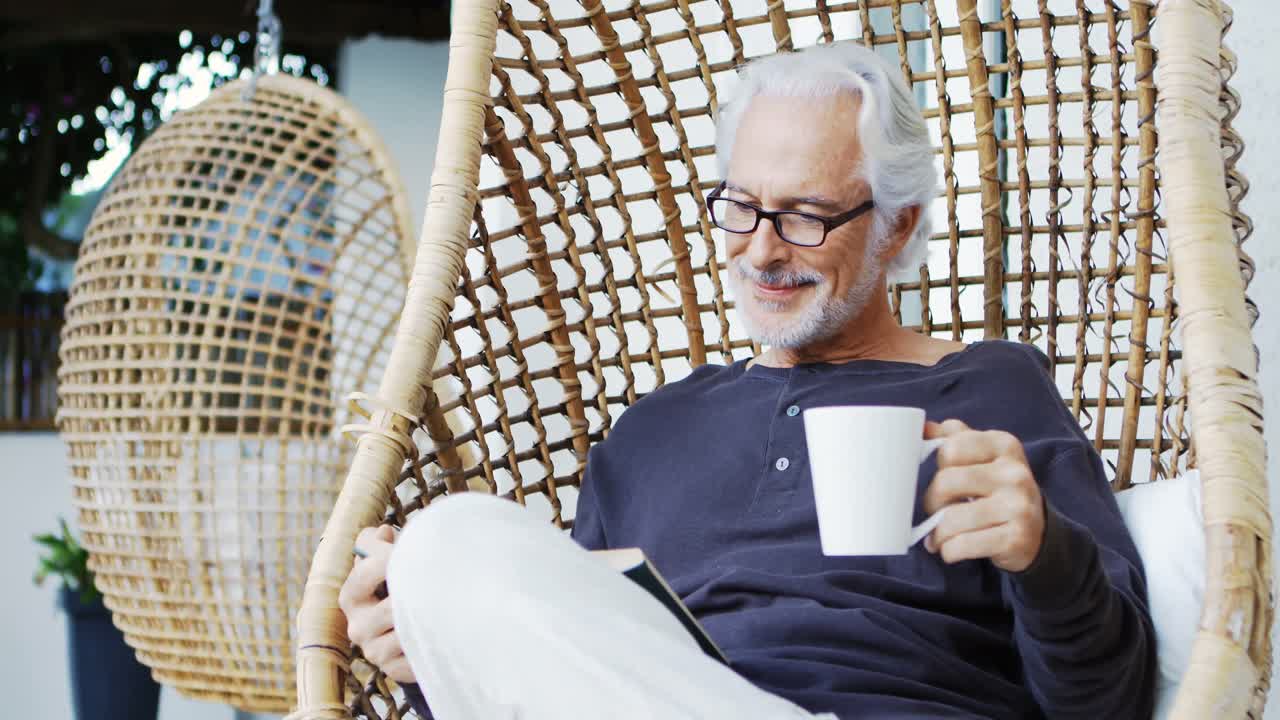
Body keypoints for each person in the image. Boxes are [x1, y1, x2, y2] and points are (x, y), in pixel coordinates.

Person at [339, 41, 1155, 719]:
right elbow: (573, 676)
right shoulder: (651, 433)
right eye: (739, 206)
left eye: (804, 215)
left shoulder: (991, 394)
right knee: (448, 545)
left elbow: (1110, 703)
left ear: (898, 223)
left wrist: (1045, 554)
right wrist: (424, 654)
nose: (761, 251)